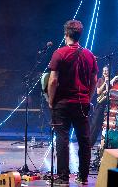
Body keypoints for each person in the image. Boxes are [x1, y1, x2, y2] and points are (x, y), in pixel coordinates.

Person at [47, 20, 98, 185]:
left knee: (62, 139)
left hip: (62, 103)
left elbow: (53, 81)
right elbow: (94, 81)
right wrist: (87, 99)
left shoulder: (59, 53)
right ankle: (83, 177)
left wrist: (51, 100)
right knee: (84, 140)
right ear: (79, 35)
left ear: (66, 34)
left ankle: (63, 178)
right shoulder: (89, 55)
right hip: (82, 103)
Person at [90, 65, 109, 147]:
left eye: (106, 70)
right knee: (95, 125)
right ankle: (89, 144)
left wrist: (108, 83)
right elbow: (98, 92)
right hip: (100, 104)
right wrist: (105, 82)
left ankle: (105, 144)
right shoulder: (100, 80)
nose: (104, 72)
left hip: (108, 105)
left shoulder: (112, 80)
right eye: (103, 70)